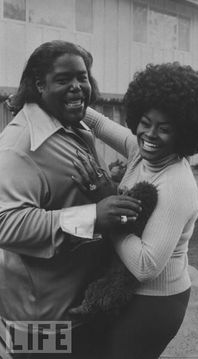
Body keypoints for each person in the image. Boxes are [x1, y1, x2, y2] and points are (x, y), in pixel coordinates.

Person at [0, 40, 142, 359]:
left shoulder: (70, 126)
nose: (77, 87)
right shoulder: (19, 146)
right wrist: (92, 217)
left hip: (81, 313)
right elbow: (4, 224)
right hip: (41, 324)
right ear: (39, 85)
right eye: (64, 79)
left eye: (83, 77)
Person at [73, 62, 198, 359]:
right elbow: (99, 124)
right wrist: (61, 102)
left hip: (154, 305)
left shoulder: (176, 184)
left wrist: (106, 212)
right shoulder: (138, 151)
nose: (150, 134)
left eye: (164, 129)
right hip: (124, 294)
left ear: (184, 133)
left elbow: (145, 265)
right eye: (145, 122)